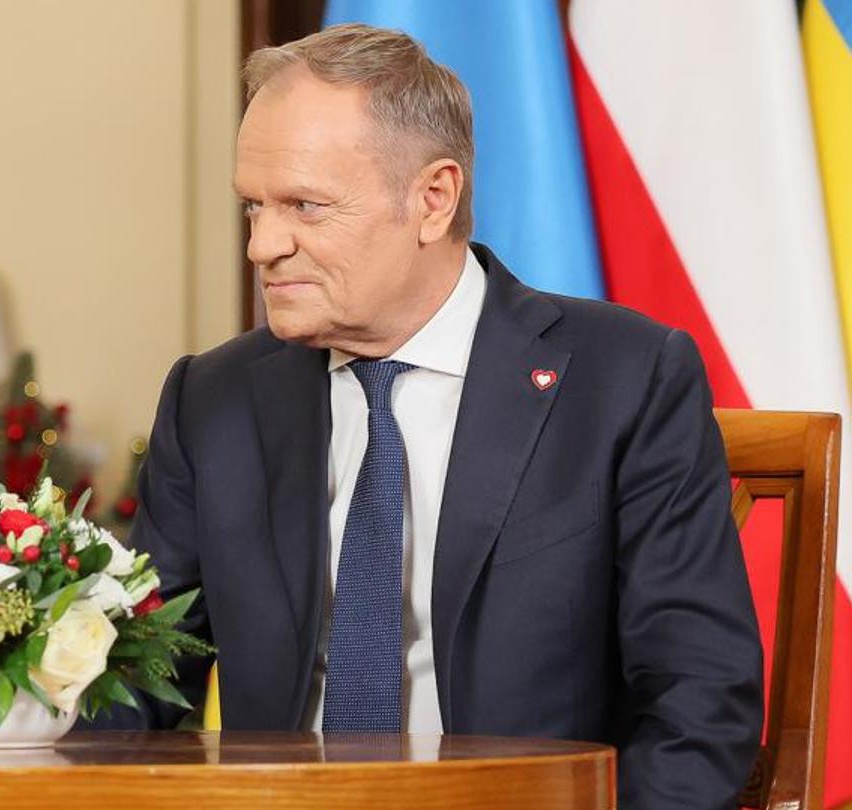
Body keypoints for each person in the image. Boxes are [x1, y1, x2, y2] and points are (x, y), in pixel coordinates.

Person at [86, 24, 762, 809]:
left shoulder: (624, 379)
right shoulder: (214, 399)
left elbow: (699, 704)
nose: (263, 245)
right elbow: (134, 698)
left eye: (306, 205)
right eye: (253, 208)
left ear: (432, 199)